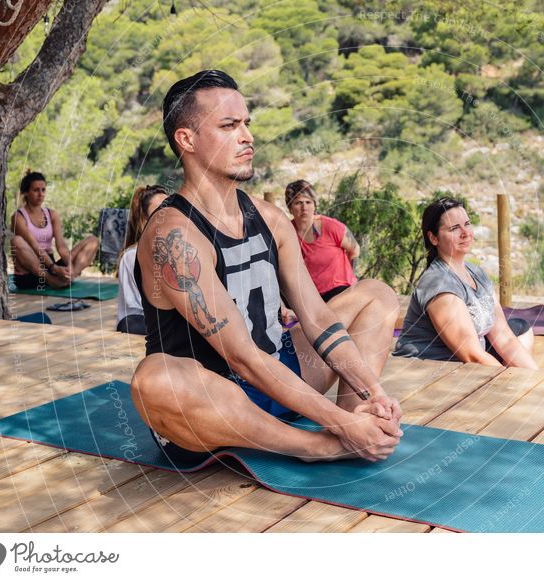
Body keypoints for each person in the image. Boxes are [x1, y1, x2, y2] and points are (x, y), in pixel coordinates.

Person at [130, 70, 403, 466]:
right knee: (153, 380)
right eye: (229, 126)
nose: (247, 137)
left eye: (246, 124)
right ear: (186, 140)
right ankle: (324, 445)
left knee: (376, 295)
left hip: (283, 373)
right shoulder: (173, 236)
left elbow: (318, 317)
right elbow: (241, 358)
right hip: (219, 405)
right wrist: (339, 428)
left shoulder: (271, 218)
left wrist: (372, 394)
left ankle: (364, 425)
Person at [394, 197, 538, 369]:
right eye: (454, 228)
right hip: (431, 370)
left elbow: (504, 339)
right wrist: (511, 383)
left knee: (520, 329)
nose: (465, 232)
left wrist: (535, 378)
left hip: (462, 361)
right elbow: (472, 355)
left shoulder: (476, 273)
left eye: (467, 224)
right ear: (433, 238)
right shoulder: (439, 283)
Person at [10, 171, 99, 289]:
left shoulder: (52, 214)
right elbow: (34, 245)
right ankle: (53, 281)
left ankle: (69, 277)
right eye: (36, 190)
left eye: (43, 190)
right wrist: (54, 268)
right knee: (16, 241)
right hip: (30, 273)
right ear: (26, 192)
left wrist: (69, 266)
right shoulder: (18, 217)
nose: (40, 194)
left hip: (51, 267)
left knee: (93, 241)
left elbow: (61, 246)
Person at [285, 179, 360, 303]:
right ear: (290, 207)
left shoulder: (331, 227)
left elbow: (355, 249)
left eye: (308, 202)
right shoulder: (287, 231)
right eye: (298, 203)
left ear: (314, 205)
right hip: (310, 296)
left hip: (340, 290)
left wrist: (351, 278)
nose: (304, 208)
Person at [116, 185, 169, 335]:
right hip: (141, 322)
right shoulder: (131, 257)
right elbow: (135, 306)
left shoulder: (179, 251)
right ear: (145, 219)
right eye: (159, 210)